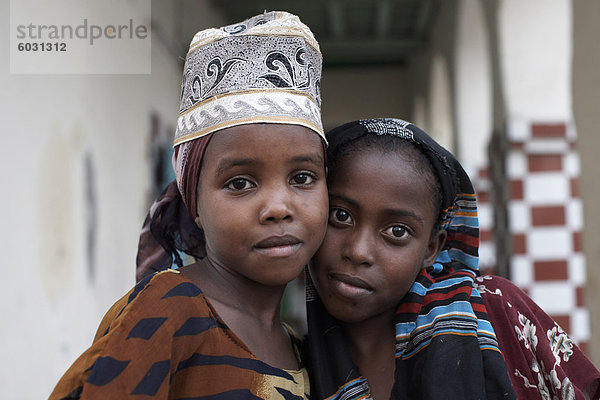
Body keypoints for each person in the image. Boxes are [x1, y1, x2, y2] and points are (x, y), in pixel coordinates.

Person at [49, 11, 328, 399]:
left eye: (302, 178)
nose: (278, 207)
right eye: (240, 183)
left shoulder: (301, 347)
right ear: (194, 201)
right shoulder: (168, 312)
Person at [305, 118, 600, 400]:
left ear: (432, 248)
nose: (358, 251)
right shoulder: (288, 367)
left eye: (397, 231)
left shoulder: (498, 311)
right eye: (340, 215)